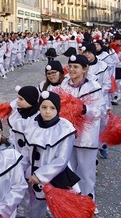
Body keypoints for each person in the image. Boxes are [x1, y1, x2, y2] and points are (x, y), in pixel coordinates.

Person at [20, 91, 79, 218]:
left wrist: (40, 175)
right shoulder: (33, 125)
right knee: (35, 205)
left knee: (60, 208)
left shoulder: (65, 129)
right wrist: (19, 169)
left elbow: (62, 160)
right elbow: (26, 151)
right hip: (33, 177)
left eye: (52, 108)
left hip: (55, 177)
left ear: (58, 109)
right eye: (44, 107)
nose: (47, 111)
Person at [60, 54, 105, 213]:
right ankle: (72, 200)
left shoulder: (94, 86)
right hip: (68, 134)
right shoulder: (64, 83)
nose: (71, 69)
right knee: (69, 169)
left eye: (76, 67)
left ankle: (88, 202)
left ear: (85, 69)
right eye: (70, 66)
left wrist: (84, 109)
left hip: (86, 136)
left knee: (86, 171)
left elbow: (99, 111)